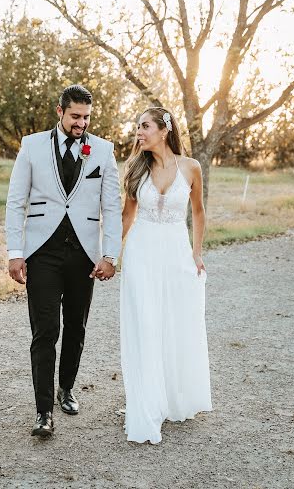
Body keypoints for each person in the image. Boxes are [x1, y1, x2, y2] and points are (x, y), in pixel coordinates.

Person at [5, 84, 122, 438]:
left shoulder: (103, 150)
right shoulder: (31, 145)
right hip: (42, 252)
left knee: (76, 327)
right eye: (75, 116)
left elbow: (112, 206)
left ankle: (66, 389)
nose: (81, 123)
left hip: (84, 255)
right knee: (45, 332)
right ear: (60, 111)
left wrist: (110, 254)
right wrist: (15, 252)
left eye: (86, 117)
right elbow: (15, 201)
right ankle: (43, 412)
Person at [120, 107, 212, 444]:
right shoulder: (134, 168)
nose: (139, 132)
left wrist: (197, 253)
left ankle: (172, 395)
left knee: (173, 322)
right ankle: (146, 400)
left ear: (164, 130)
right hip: (141, 253)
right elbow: (126, 218)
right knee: (145, 323)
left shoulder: (191, 168)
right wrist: (109, 255)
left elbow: (199, 212)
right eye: (138, 127)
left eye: (145, 126)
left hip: (175, 252)